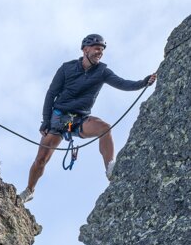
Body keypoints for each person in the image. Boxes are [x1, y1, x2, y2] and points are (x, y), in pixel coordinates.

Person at [19, 34, 157, 203]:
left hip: (80, 119)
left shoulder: (102, 72)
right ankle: (29, 190)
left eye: (102, 49)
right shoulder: (66, 68)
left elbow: (122, 83)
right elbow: (51, 94)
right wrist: (46, 121)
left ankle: (110, 168)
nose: (100, 52)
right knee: (41, 160)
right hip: (59, 117)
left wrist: (143, 83)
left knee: (104, 127)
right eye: (97, 48)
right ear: (86, 50)